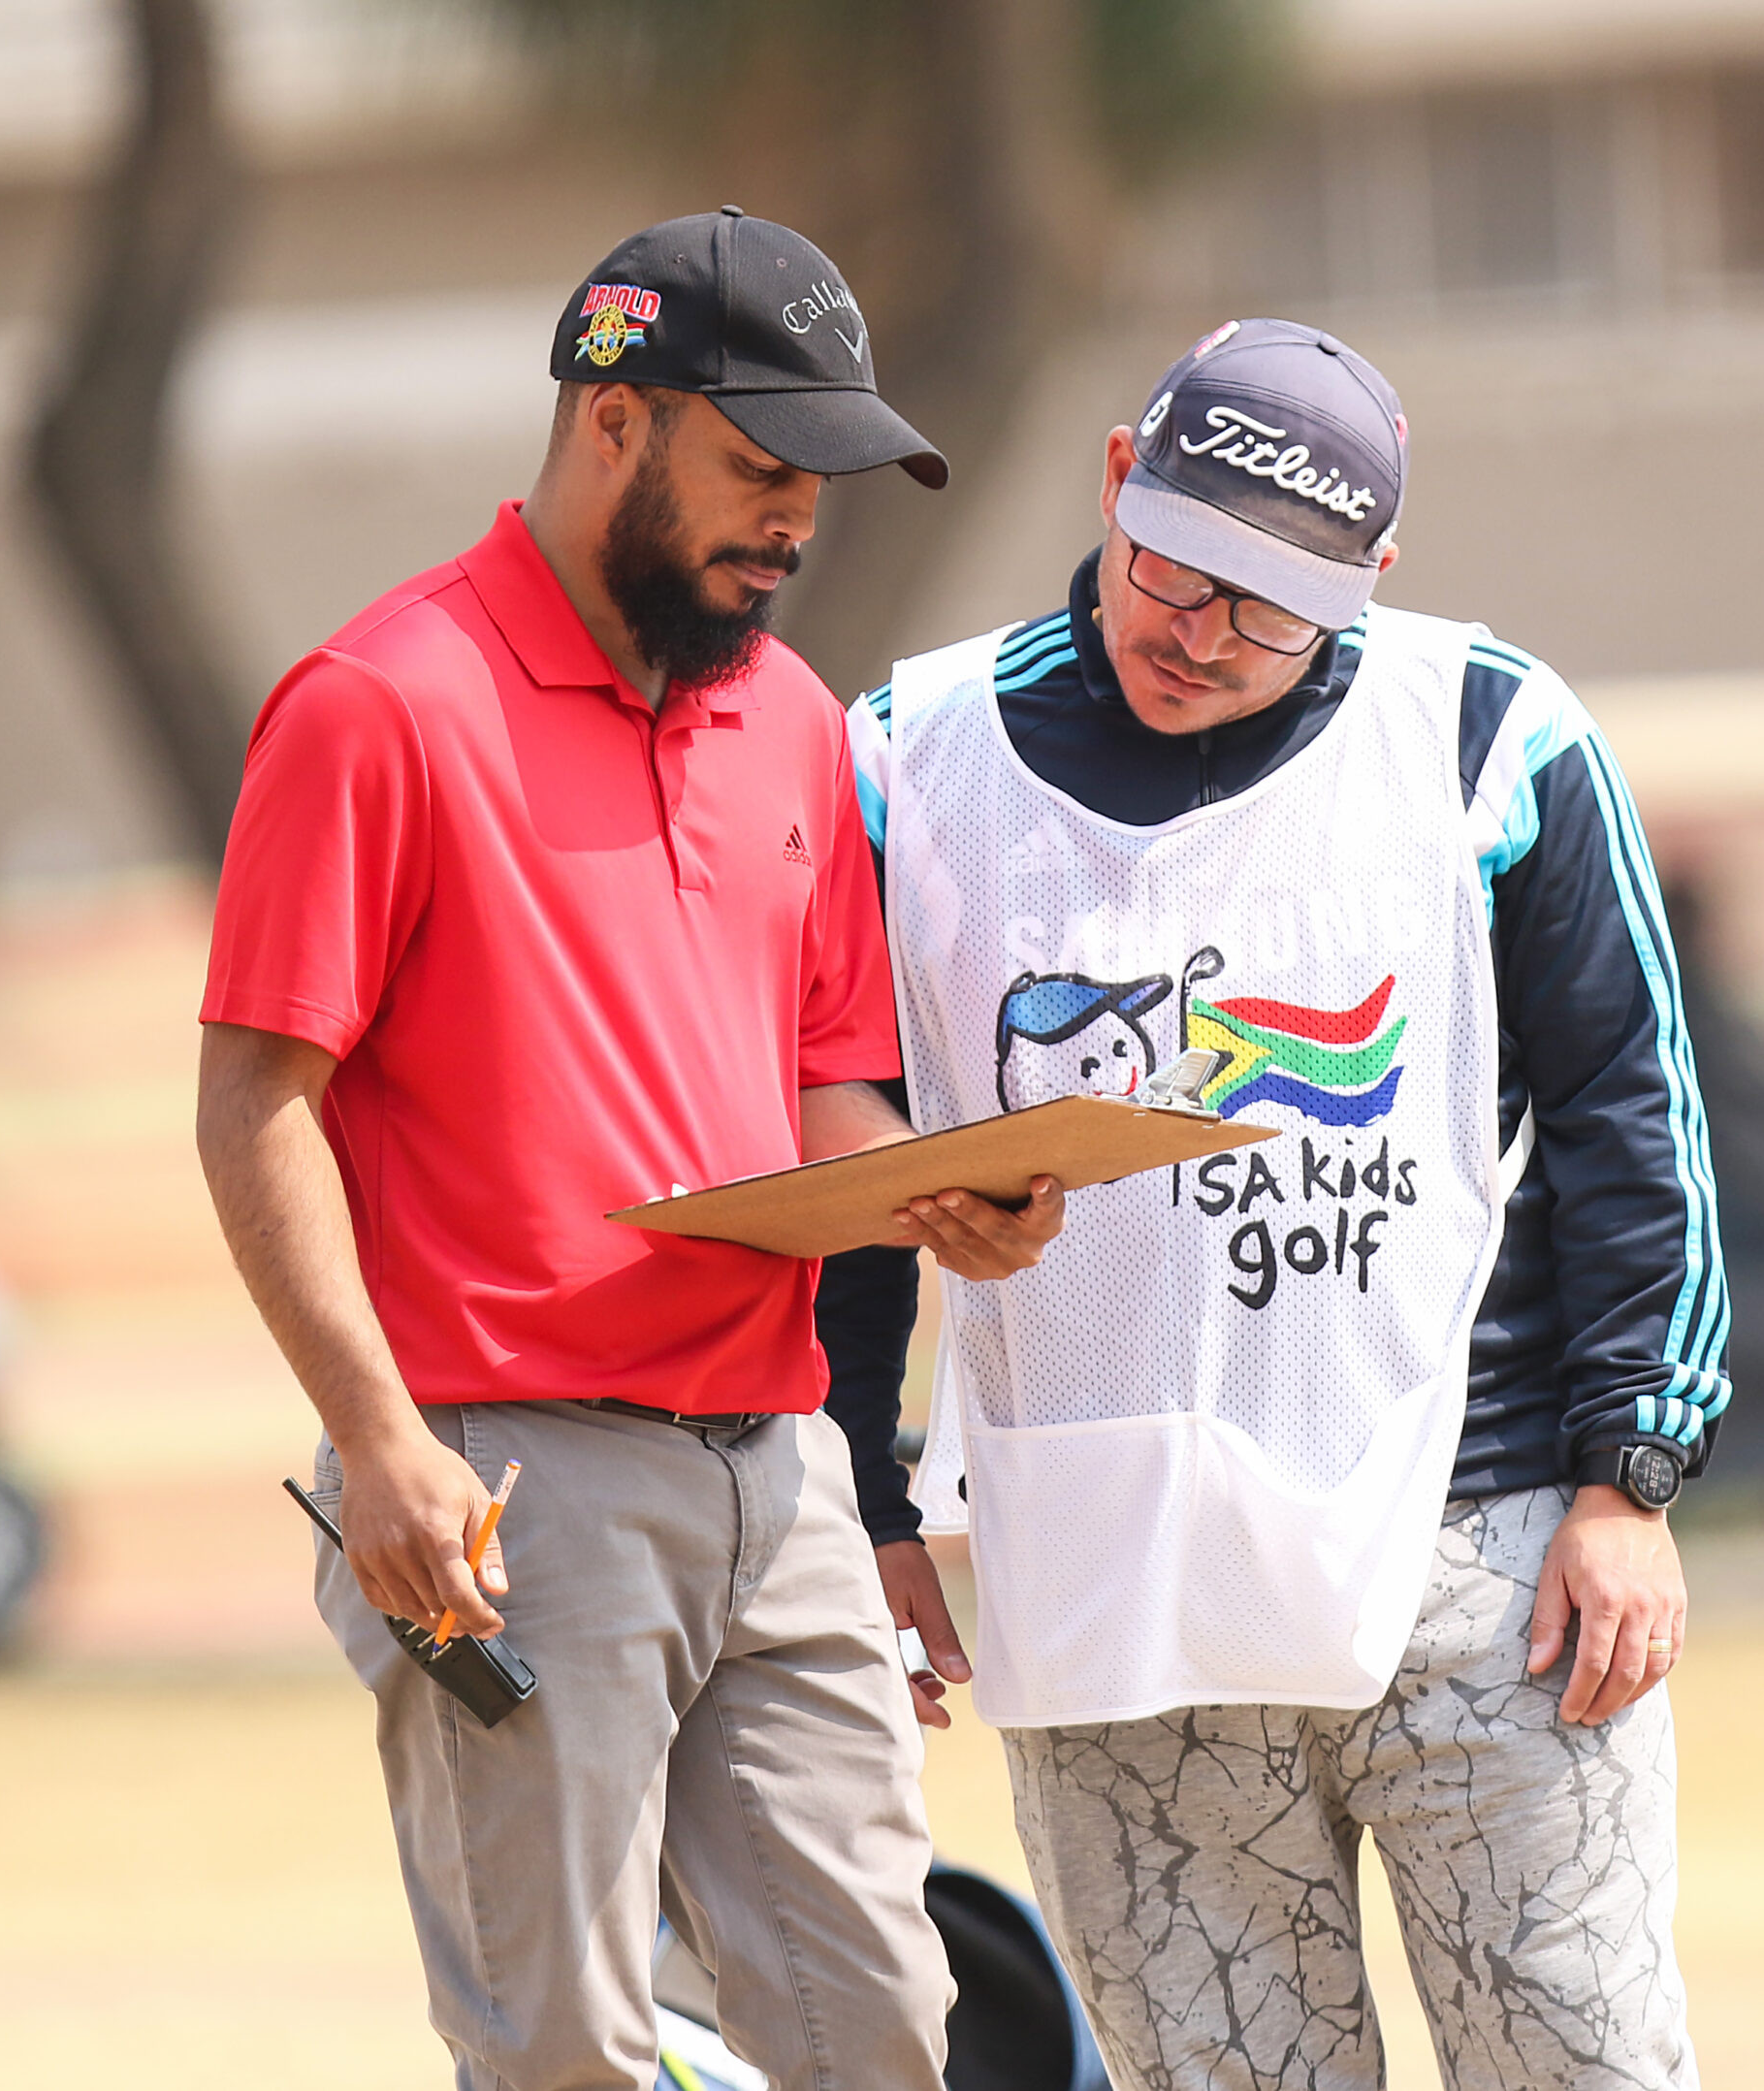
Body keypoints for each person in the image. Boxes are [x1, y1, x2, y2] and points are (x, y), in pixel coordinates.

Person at [195, 209, 1063, 2091]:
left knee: (882, 2028)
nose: (796, 520)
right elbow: (255, 1102)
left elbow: (822, 1084)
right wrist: (375, 1440)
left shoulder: (794, 724)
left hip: (778, 1469)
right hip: (505, 1482)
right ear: (614, 420)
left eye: (819, 480)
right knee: (564, 2049)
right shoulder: (379, 705)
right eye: (760, 466)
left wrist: (936, 1188)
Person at [818, 317, 1730, 2088]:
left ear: (1371, 579)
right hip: (1108, 1575)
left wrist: (1632, 1476)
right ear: (1115, 480)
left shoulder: (1490, 734)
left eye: (1268, 610)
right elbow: (846, 1155)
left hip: (1484, 1555)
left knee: (1589, 2062)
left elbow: (1634, 1114)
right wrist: (867, 1496)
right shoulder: (904, 755)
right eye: (1173, 570)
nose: (1199, 635)